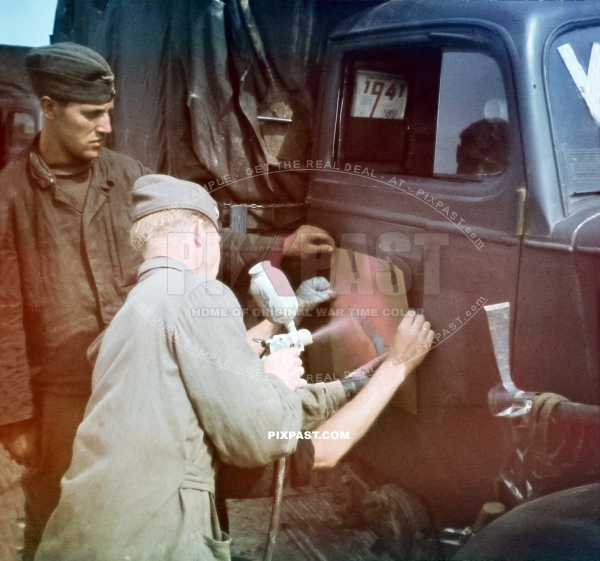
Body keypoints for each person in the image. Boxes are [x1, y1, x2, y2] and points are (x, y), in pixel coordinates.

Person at [0, 42, 334, 559]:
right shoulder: (9, 196)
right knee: (65, 510)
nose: (106, 127)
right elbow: (4, 314)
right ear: (47, 107)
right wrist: (16, 416)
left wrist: (281, 244)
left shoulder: (128, 176)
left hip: (147, 376)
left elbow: (197, 237)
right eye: (91, 115)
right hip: (64, 393)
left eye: (109, 113)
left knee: (188, 494)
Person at [34, 174, 434, 560]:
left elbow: (212, 358)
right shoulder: (199, 290)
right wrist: (395, 366)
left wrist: (306, 343)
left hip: (79, 535)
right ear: (197, 235)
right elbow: (267, 438)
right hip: (153, 543)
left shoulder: (134, 311)